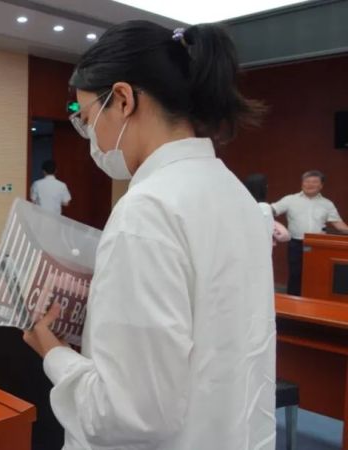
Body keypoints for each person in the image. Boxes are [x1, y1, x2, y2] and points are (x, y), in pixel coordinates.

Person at [23, 21, 276, 449]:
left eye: (87, 119)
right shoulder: (235, 195)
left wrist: (54, 353)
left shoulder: (146, 211)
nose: (90, 138)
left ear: (123, 99)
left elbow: (129, 413)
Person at [272, 170, 348, 295]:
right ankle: (293, 302)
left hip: (319, 245)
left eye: (314, 182)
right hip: (296, 244)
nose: (310, 184)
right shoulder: (290, 200)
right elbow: (272, 210)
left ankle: (312, 302)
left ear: (321, 185)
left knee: (316, 275)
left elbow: (338, 224)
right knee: (295, 275)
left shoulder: (327, 204)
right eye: (307, 181)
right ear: (302, 183)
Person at [244, 173, 291, 245]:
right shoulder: (264, 207)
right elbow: (268, 229)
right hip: (261, 244)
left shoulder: (241, 205)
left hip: (245, 243)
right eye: (265, 185)